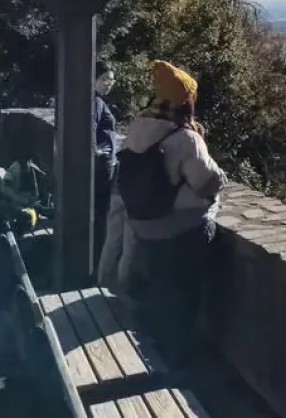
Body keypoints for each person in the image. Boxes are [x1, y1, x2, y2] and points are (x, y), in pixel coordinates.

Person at [116, 60, 227, 359]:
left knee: (158, 286)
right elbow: (206, 183)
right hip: (178, 230)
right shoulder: (186, 138)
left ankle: (153, 339)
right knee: (185, 290)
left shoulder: (139, 126)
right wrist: (222, 176)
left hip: (143, 226)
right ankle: (178, 354)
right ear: (186, 101)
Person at [93, 60, 118, 263]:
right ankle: (98, 256)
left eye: (111, 80)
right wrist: (95, 150)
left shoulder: (97, 101)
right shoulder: (95, 102)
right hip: (103, 165)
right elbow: (89, 128)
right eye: (104, 79)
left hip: (105, 163)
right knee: (102, 212)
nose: (109, 83)